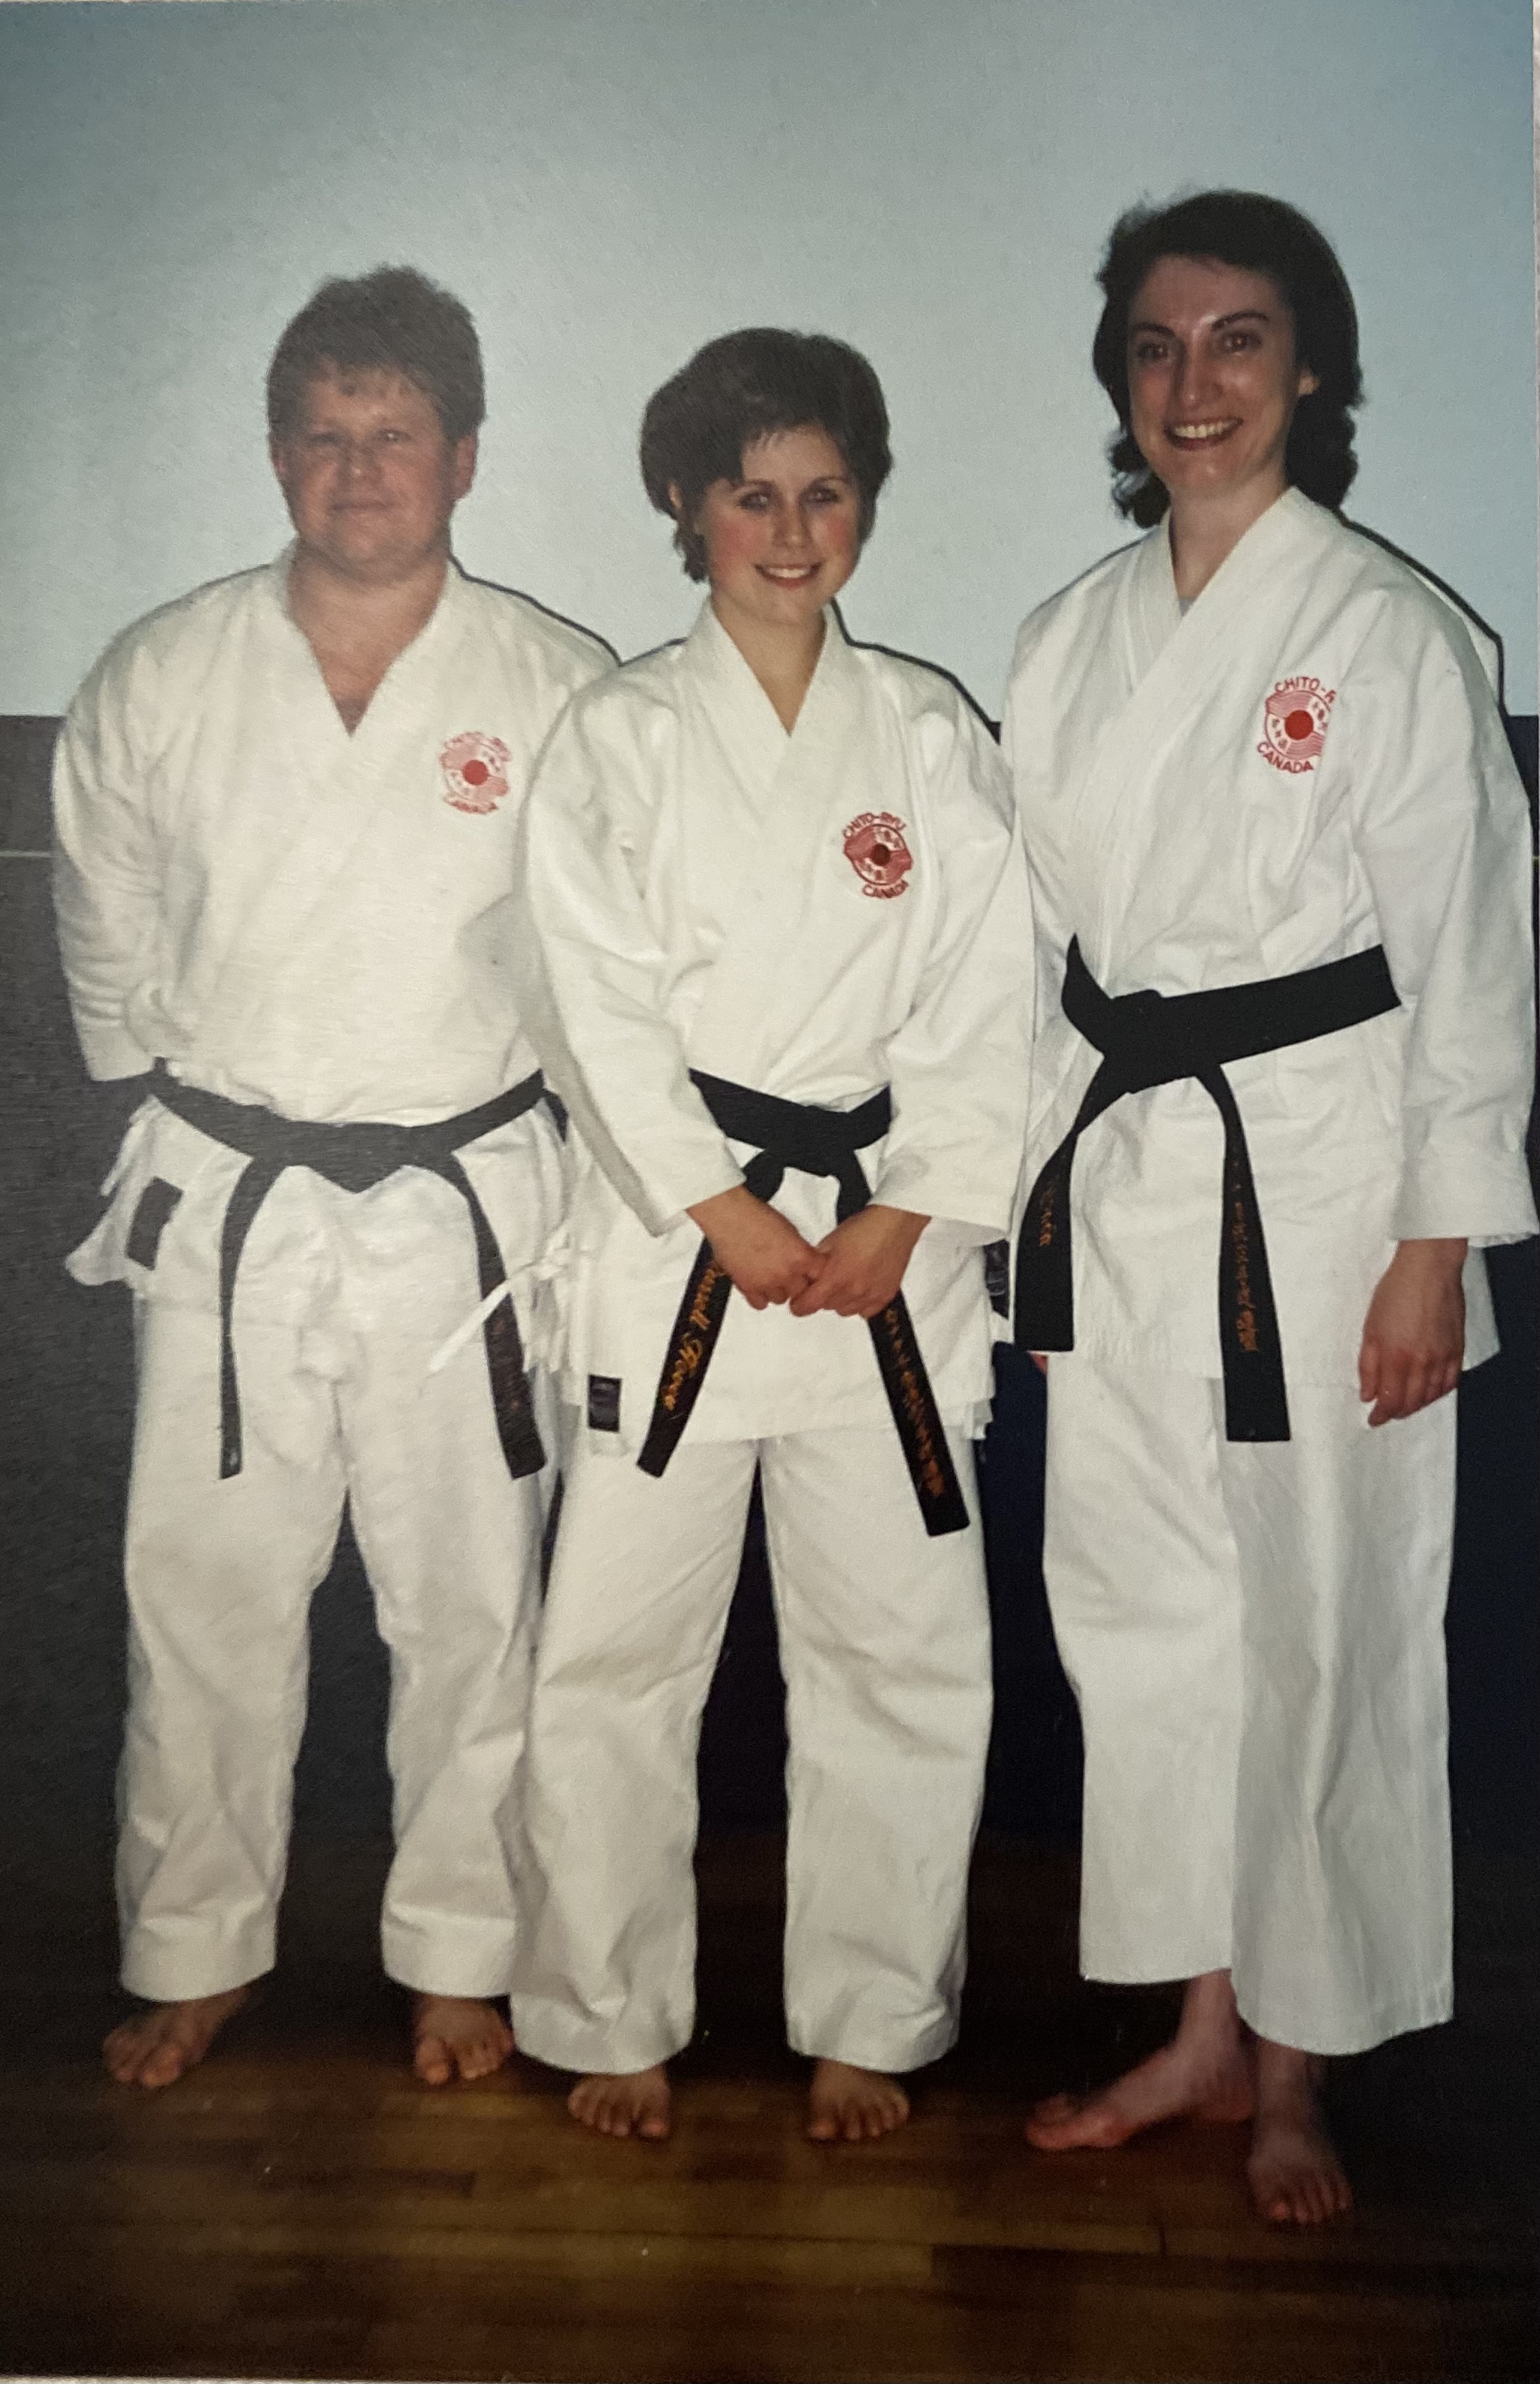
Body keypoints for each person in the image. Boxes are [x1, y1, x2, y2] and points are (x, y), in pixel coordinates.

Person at [1003, 191, 1536, 2224]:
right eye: (1155, 344)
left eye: (1239, 341)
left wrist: (1435, 1239)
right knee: (1147, 1624)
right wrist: (1013, 1223)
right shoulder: (1067, 639)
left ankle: (1303, 2060)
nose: (1193, 383)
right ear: (1119, 381)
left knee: (1329, 1618)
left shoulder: (1393, 631)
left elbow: (1472, 955)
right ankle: (1202, 2024)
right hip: (1132, 1176)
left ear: (1309, 372)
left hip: (1324, 1185)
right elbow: (1028, 963)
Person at [53, 266, 611, 2091]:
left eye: (394, 437)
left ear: (462, 456)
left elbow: (600, 964)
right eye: (323, 435)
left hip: (466, 1203)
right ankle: (196, 1942)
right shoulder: (160, 670)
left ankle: (461, 1949)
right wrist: (178, 1099)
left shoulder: (556, 685)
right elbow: (108, 946)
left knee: (470, 1602)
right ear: (275, 453)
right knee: (203, 1590)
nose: (358, 470)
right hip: (235, 1198)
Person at [506, 328, 1032, 2145]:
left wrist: (903, 1206)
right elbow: (583, 995)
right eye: (751, 492)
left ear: (863, 507)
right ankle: (603, 2007)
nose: (789, 529)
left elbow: (993, 994)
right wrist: (718, 1204)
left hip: (889, 1250)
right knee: (614, 1656)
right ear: (683, 503)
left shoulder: (929, 735)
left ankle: (871, 2015)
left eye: (823, 491)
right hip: (678, 1247)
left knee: (897, 1651)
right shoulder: (621, 736)